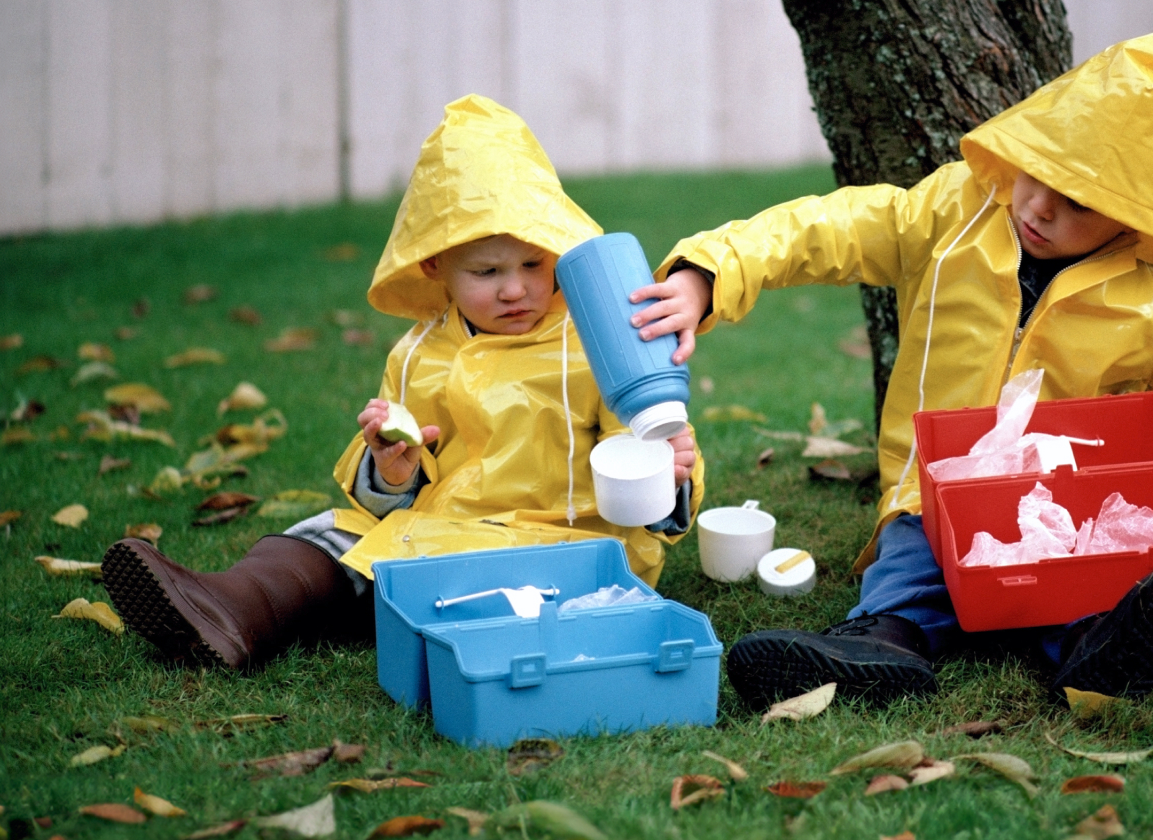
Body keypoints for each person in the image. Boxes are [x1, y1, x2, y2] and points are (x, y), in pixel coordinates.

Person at [630, 30, 1153, 710]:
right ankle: (880, 644)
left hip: (1060, 506)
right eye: (1037, 174)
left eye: (1077, 203)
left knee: (1083, 586)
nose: (1039, 207)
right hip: (935, 490)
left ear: (1137, 221)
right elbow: (829, 229)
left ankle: (1099, 651)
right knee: (913, 567)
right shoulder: (957, 211)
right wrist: (708, 272)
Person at [101, 95, 703, 669]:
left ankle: (346, 611)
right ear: (435, 266)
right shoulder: (419, 354)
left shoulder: (594, 343)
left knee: (435, 576)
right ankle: (231, 609)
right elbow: (406, 482)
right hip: (444, 530)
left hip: (561, 545)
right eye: (486, 270)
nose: (515, 288)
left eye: (532, 265)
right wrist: (393, 471)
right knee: (325, 533)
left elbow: (646, 479)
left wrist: (668, 474)